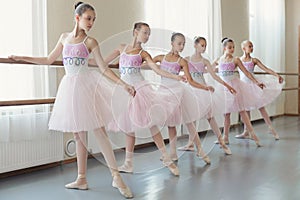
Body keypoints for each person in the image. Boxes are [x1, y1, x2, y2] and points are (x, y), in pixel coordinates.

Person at [9, 2, 134, 198]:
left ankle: (116, 176)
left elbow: (103, 68)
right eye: (88, 18)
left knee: (99, 131)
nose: (91, 22)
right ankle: (81, 178)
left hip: (87, 86)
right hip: (70, 89)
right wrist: (20, 57)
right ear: (77, 17)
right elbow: (48, 59)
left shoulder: (91, 42)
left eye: (93, 19)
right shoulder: (64, 38)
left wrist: (123, 84)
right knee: (78, 135)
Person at [104, 22, 185, 176]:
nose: (147, 36)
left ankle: (167, 158)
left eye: (149, 34)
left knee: (151, 123)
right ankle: (128, 163)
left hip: (140, 89)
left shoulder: (143, 54)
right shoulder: (121, 48)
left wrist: (177, 77)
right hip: (124, 90)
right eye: (145, 32)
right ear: (135, 32)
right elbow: (103, 63)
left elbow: (157, 70)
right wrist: (84, 61)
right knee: (129, 127)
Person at [153, 33, 214, 164]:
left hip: (178, 91)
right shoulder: (160, 58)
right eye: (179, 43)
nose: (181, 46)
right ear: (172, 43)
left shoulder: (182, 61)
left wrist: (205, 87)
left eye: (183, 44)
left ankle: (201, 150)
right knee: (170, 123)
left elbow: (190, 80)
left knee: (189, 122)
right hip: (163, 91)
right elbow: (146, 64)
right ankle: (173, 153)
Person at [178, 36, 235, 155]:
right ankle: (190, 144)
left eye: (205, 46)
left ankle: (222, 143)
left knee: (210, 117)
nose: (204, 48)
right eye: (202, 45)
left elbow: (214, 76)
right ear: (195, 45)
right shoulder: (186, 60)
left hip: (203, 90)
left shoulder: (205, 61)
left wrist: (227, 85)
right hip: (191, 90)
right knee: (191, 118)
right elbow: (180, 72)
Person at [212, 37, 265, 147]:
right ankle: (225, 137)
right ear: (224, 48)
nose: (232, 49)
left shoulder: (236, 60)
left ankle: (253, 135)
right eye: (230, 47)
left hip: (235, 87)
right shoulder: (218, 60)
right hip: (223, 88)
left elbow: (246, 73)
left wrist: (256, 82)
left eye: (233, 47)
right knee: (226, 114)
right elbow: (210, 69)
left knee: (242, 111)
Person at [235, 40, 284, 140]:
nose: (252, 48)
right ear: (243, 48)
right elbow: (228, 69)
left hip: (254, 85)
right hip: (243, 86)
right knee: (246, 109)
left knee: (261, 107)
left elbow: (265, 69)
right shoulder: (238, 60)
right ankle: (246, 131)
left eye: (252, 46)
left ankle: (270, 127)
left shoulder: (254, 61)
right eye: (250, 46)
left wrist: (276, 75)